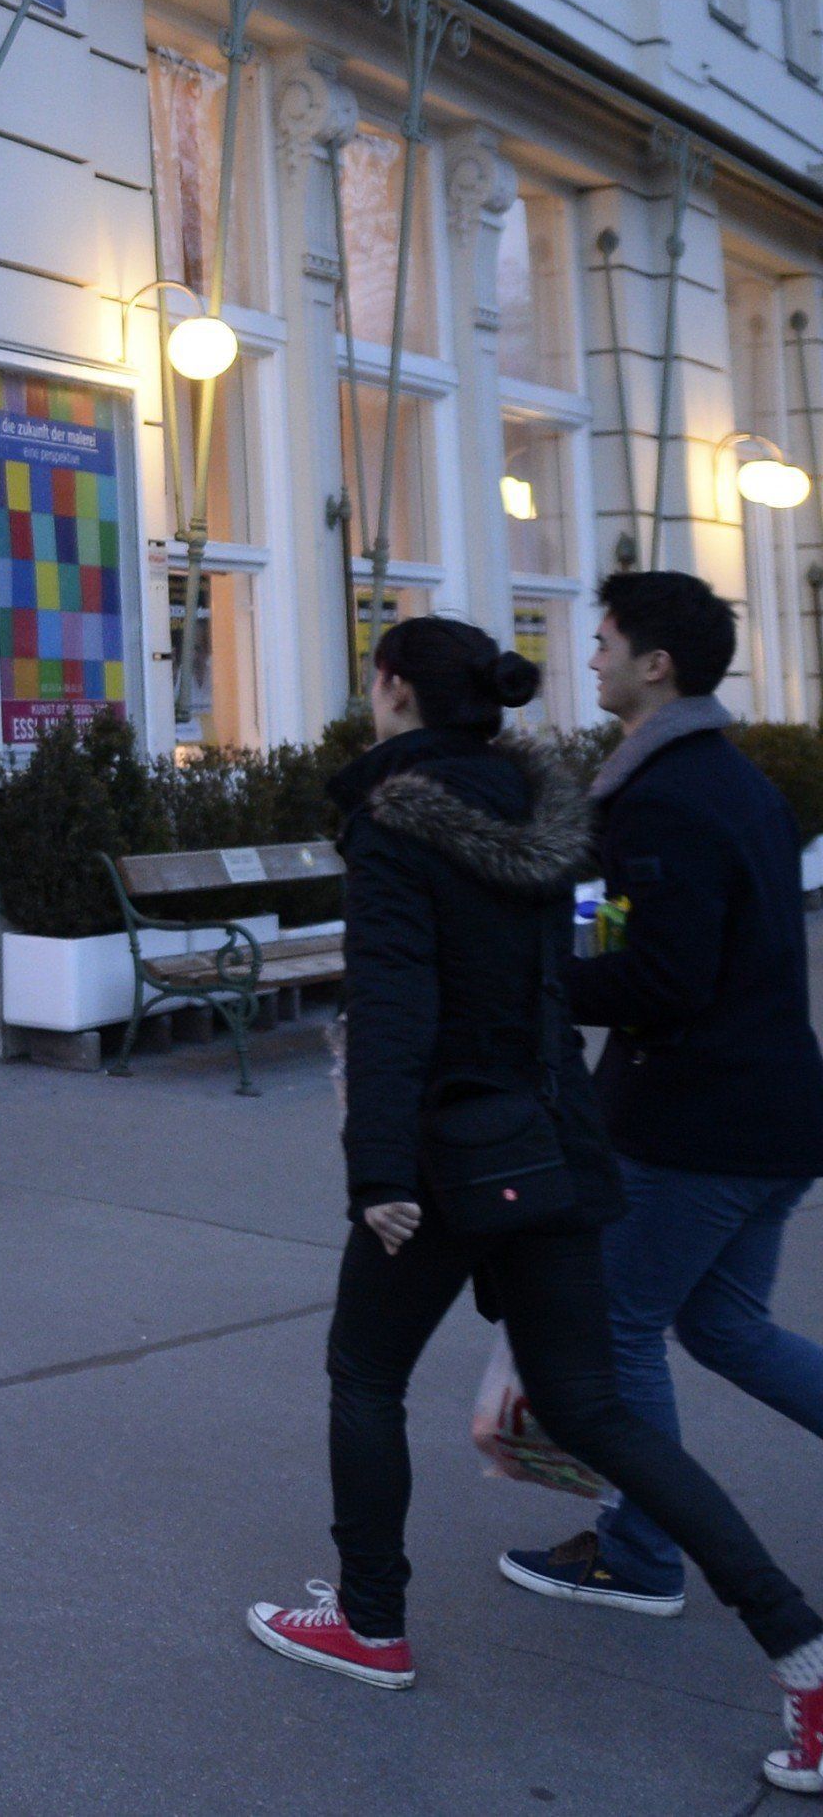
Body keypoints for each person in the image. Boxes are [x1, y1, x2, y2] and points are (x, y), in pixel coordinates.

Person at [249, 616, 823, 1797]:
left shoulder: (394, 822)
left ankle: (368, 1622)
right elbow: (547, 999)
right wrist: (575, 1154)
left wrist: (379, 1175)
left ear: (395, 690)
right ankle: (800, 1650)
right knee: (598, 1412)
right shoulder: (538, 819)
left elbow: (395, 1003)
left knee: (362, 1375)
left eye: (372, 680)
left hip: (446, 1158)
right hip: (551, 1150)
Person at [499, 571, 823, 1621]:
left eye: (601, 641)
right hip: (769, 1114)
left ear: (655, 663)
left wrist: (537, 980)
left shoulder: (667, 794)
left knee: (615, 1331)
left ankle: (639, 1555)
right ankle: (638, 1540)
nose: (585, 657)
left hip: (697, 1124)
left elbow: (664, 976)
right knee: (723, 1325)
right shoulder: (725, 778)